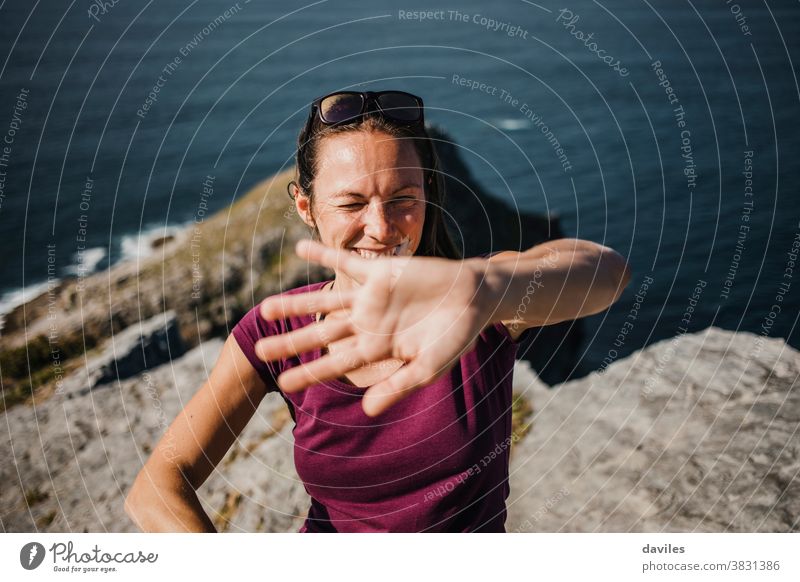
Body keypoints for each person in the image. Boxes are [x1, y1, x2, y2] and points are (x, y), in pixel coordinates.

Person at [124, 90, 631, 532]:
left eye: (402, 198)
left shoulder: (471, 300)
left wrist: (485, 288)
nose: (382, 227)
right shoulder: (277, 328)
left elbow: (606, 273)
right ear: (306, 208)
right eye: (351, 204)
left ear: (428, 194)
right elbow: (157, 487)